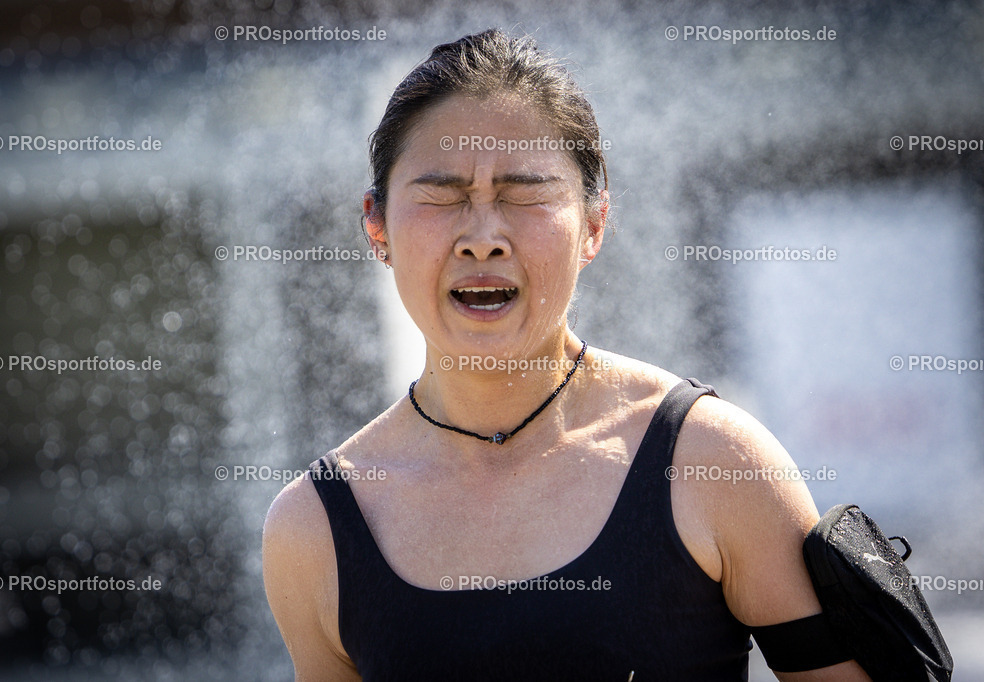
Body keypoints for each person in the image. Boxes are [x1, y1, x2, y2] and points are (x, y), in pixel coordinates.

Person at [262, 29, 870, 680]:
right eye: (442, 195)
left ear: (594, 225)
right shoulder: (314, 531)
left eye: (525, 194)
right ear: (376, 225)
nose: (483, 238)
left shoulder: (712, 462)